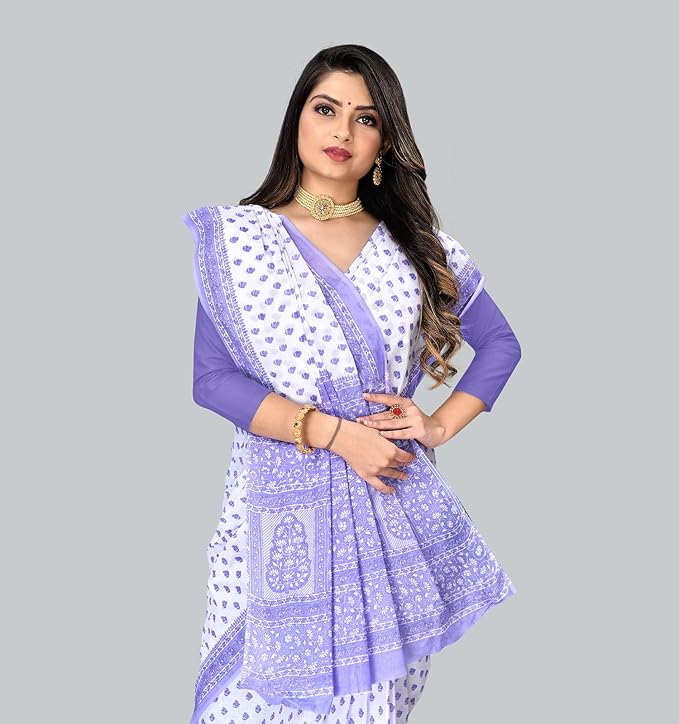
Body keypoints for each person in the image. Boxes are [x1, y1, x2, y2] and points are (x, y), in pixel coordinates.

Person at [182, 44, 522, 724]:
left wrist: (437, 425)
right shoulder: (242, 240)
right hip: (272, 511)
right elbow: (211, 380)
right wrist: (336, 435)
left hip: (387, 500)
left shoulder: (418, 247)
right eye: (326, 109)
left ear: (384, 142)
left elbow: (500, 344)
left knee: (369, 704)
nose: (342, 131)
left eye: (365, 119)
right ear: (297, 120)